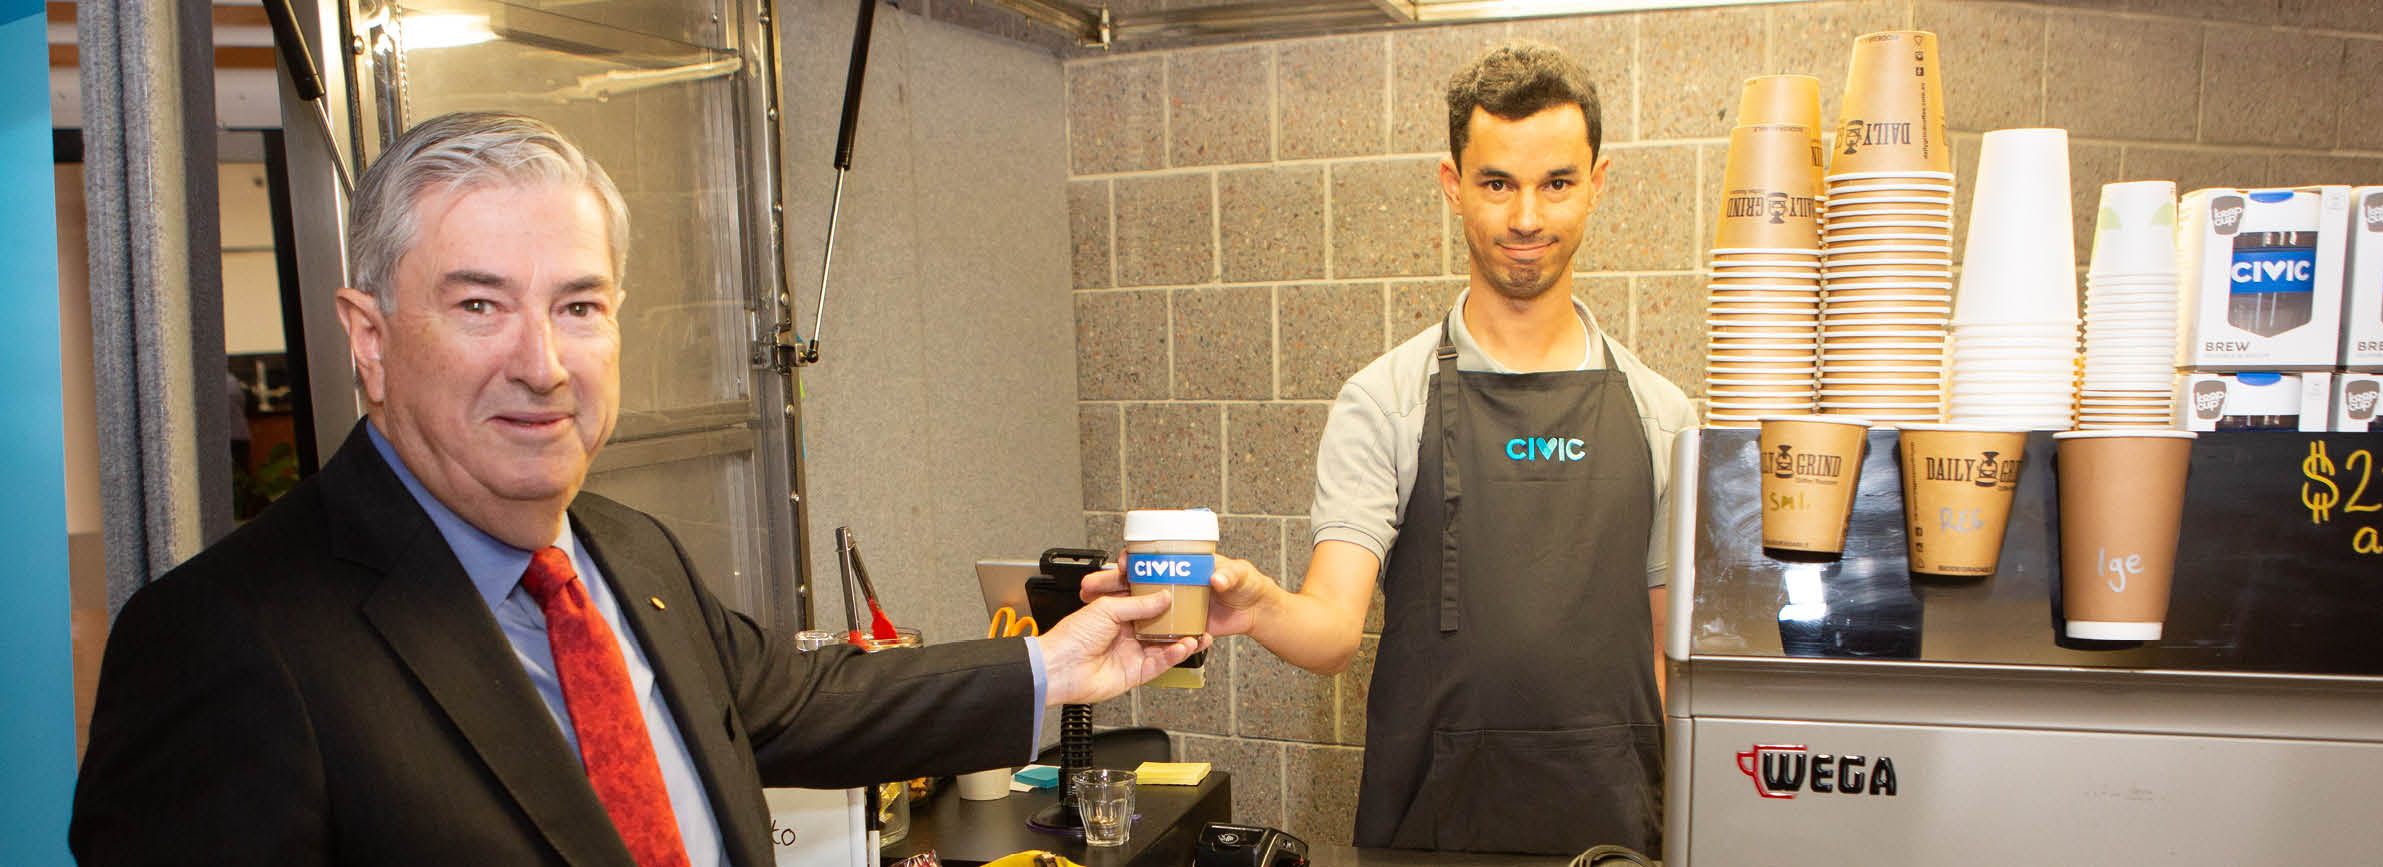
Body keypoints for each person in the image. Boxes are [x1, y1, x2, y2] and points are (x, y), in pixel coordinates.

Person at [68, 112, 1206, 866]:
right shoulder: (226, 640)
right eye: (478, 306)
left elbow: (795, 705)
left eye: (578, 305)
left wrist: (1061, 665)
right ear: (368, 339)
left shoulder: (627, 551)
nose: (542, 363)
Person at [1084, 42, 1694, 855]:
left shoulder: (1662, 413)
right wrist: (1258, 603)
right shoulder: (1386, 400)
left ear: (1598, 183)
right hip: (1431, 826)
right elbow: (1334, 629)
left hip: (1615, 828)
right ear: (1453, 186)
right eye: (1496, 183)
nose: (1526, 217)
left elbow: (1670, 660)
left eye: (1557, 182)